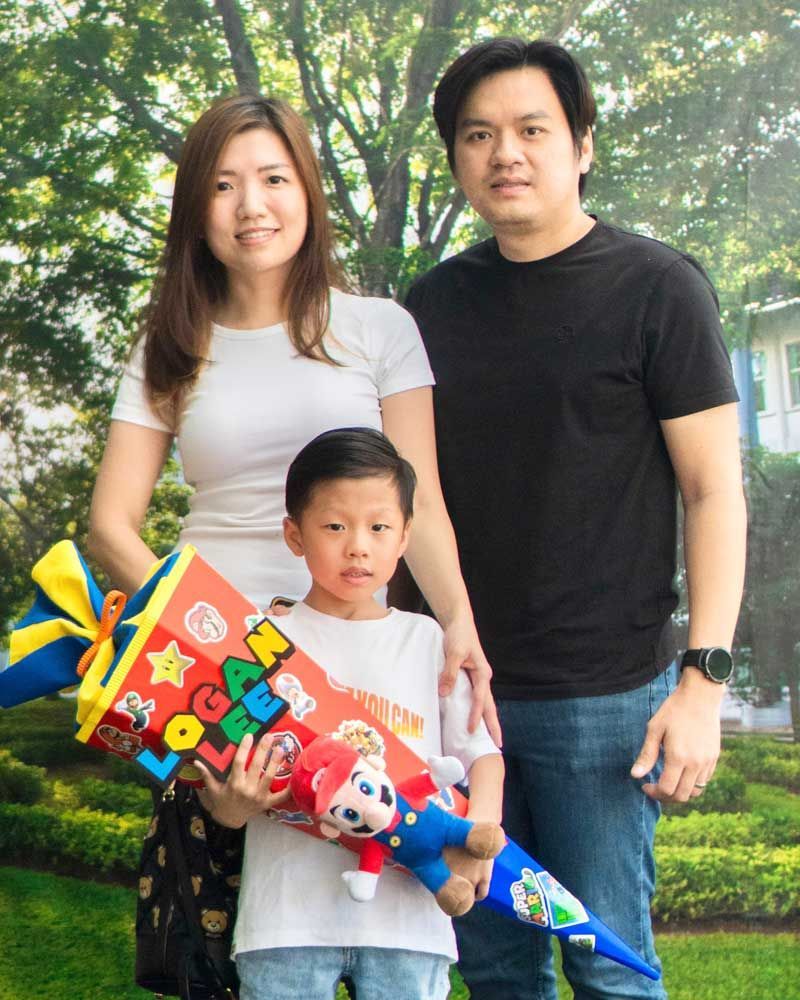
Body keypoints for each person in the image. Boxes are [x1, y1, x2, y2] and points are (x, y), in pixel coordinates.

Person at [403, 38, 747, 1000]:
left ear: (582, 143)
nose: (504, 152)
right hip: (458, 696)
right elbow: (413, 497)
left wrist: (703, 684)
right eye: (479, 135)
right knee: (494, 970)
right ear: (459, 158)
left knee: (609, 969)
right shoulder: (429, 308)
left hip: (604, 702)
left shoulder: (657, 289)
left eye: (531, 129)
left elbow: (714, 491)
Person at [87, 93, 498, 739]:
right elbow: (111, 527)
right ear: (196, 211)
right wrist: (218, 638)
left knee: (352, 833)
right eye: (223, 186)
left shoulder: (381, 329)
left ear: (307, 192)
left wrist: (459, 623)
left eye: (274, 179)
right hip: (210, 675)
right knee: (217, 835)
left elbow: (422, 506)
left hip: (351, 657)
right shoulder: (168, 342)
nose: (251, 205)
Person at [193, 427, 505, 1000]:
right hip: (286, 920)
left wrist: (479, 837)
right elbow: (223, 795)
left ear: (405, 535)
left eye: (379, 527)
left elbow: (484, 757)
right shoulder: (261, 644)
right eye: (335, 526)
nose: (358, 545)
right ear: (294, 534)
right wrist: (232, 805)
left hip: (411, 916)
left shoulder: (428, 640)